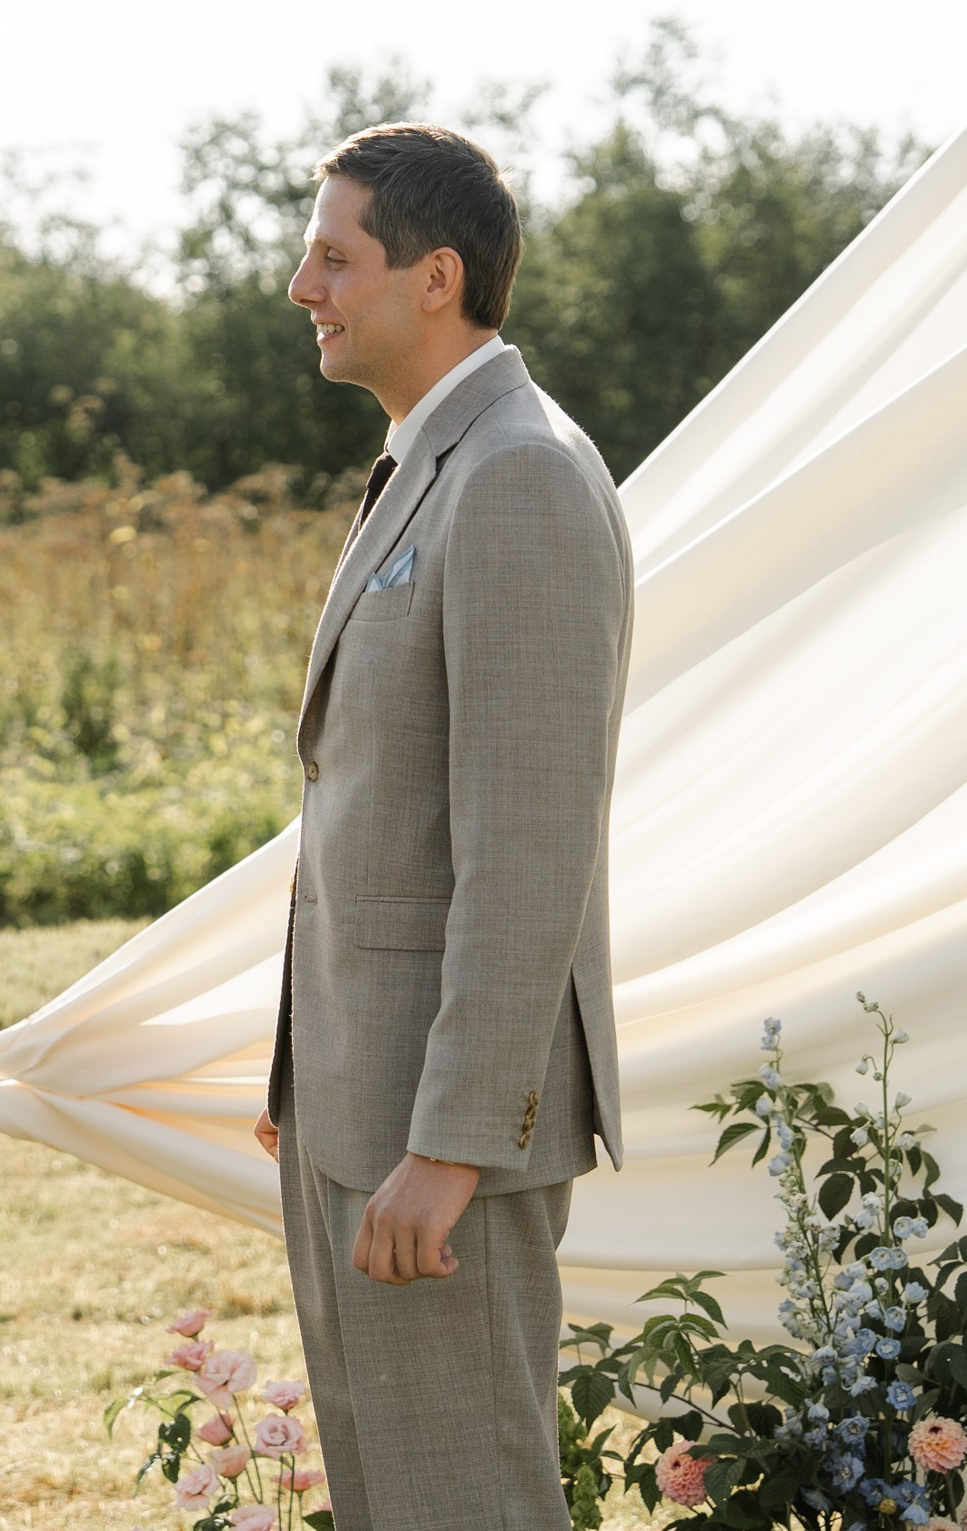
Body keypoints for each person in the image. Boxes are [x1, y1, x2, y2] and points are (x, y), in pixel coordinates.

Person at [254, 126, 630, 1528]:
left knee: (463, 1500)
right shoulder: (436, 455)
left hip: (438, 1137)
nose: (304, 283)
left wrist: (454, 1140)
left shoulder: (518, 472)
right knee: (395, 1497)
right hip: (361, 1098)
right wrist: (315, 1063)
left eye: (335, 253)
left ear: (438, 277)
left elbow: (530, 844)